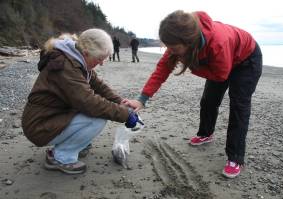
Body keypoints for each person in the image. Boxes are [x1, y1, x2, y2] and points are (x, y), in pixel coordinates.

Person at [122, 10, 262, 178]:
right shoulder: (178, 41)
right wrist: (142, 100)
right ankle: (206, 134)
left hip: (246, 60)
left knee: (239, 105)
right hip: (219, 61)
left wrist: (191, 66)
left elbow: (221, 75)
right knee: (208, 101)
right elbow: (161, 70)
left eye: (173, 48)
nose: (170, 51)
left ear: (189, 42)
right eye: (167, 47)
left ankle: (235, 157)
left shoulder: (218, 43)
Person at [21, 29, 141, 174]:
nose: (102, 63)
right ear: (86, 53)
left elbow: (99, 86)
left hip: (51, 116)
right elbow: (89, 102)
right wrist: (125, 114)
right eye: (100, 58)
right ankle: (60, 158)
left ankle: (73, 144)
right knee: (97, 118)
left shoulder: (76, 60)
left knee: (93, 112)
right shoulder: (65, 66)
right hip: (39, 126)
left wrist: (122, 102)